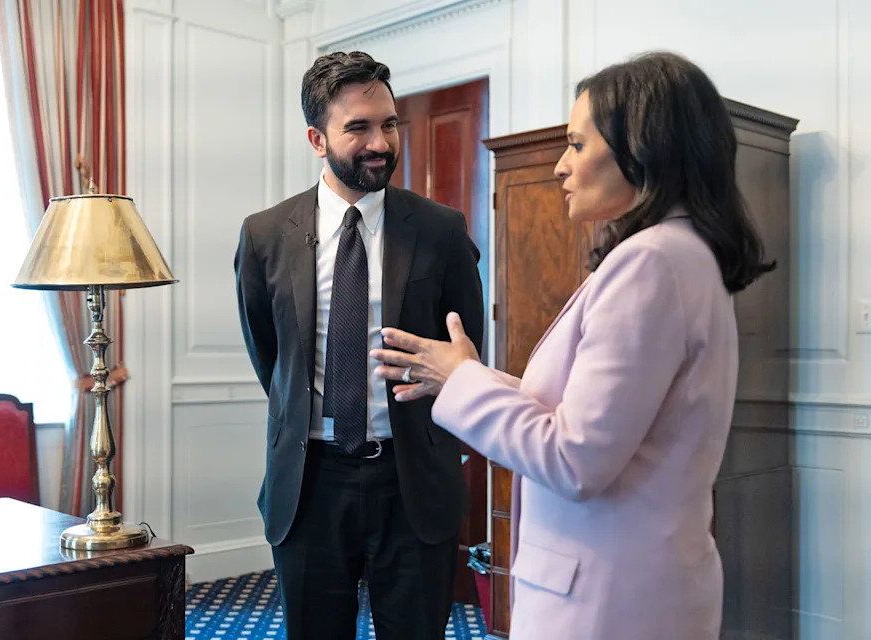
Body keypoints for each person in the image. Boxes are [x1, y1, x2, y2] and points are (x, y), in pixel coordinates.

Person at [371, 51, 774, 640]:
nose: (560, 166)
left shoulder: (650, 263)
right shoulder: (682, 254)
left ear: (643, 149)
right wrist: (463, 376)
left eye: (577, 145)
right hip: (634, 584)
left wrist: (465, 382)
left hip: (606, 600)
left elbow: (574, 457)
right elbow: (592, 417)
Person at [234, 51, 484, 640]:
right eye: (359, 128)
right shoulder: (265, 234)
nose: (381, 142)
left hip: (413, 480)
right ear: (317, 139)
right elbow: (269, 354)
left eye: (390, 124)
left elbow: (465, 348)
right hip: (309, 483)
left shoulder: (442, 230)